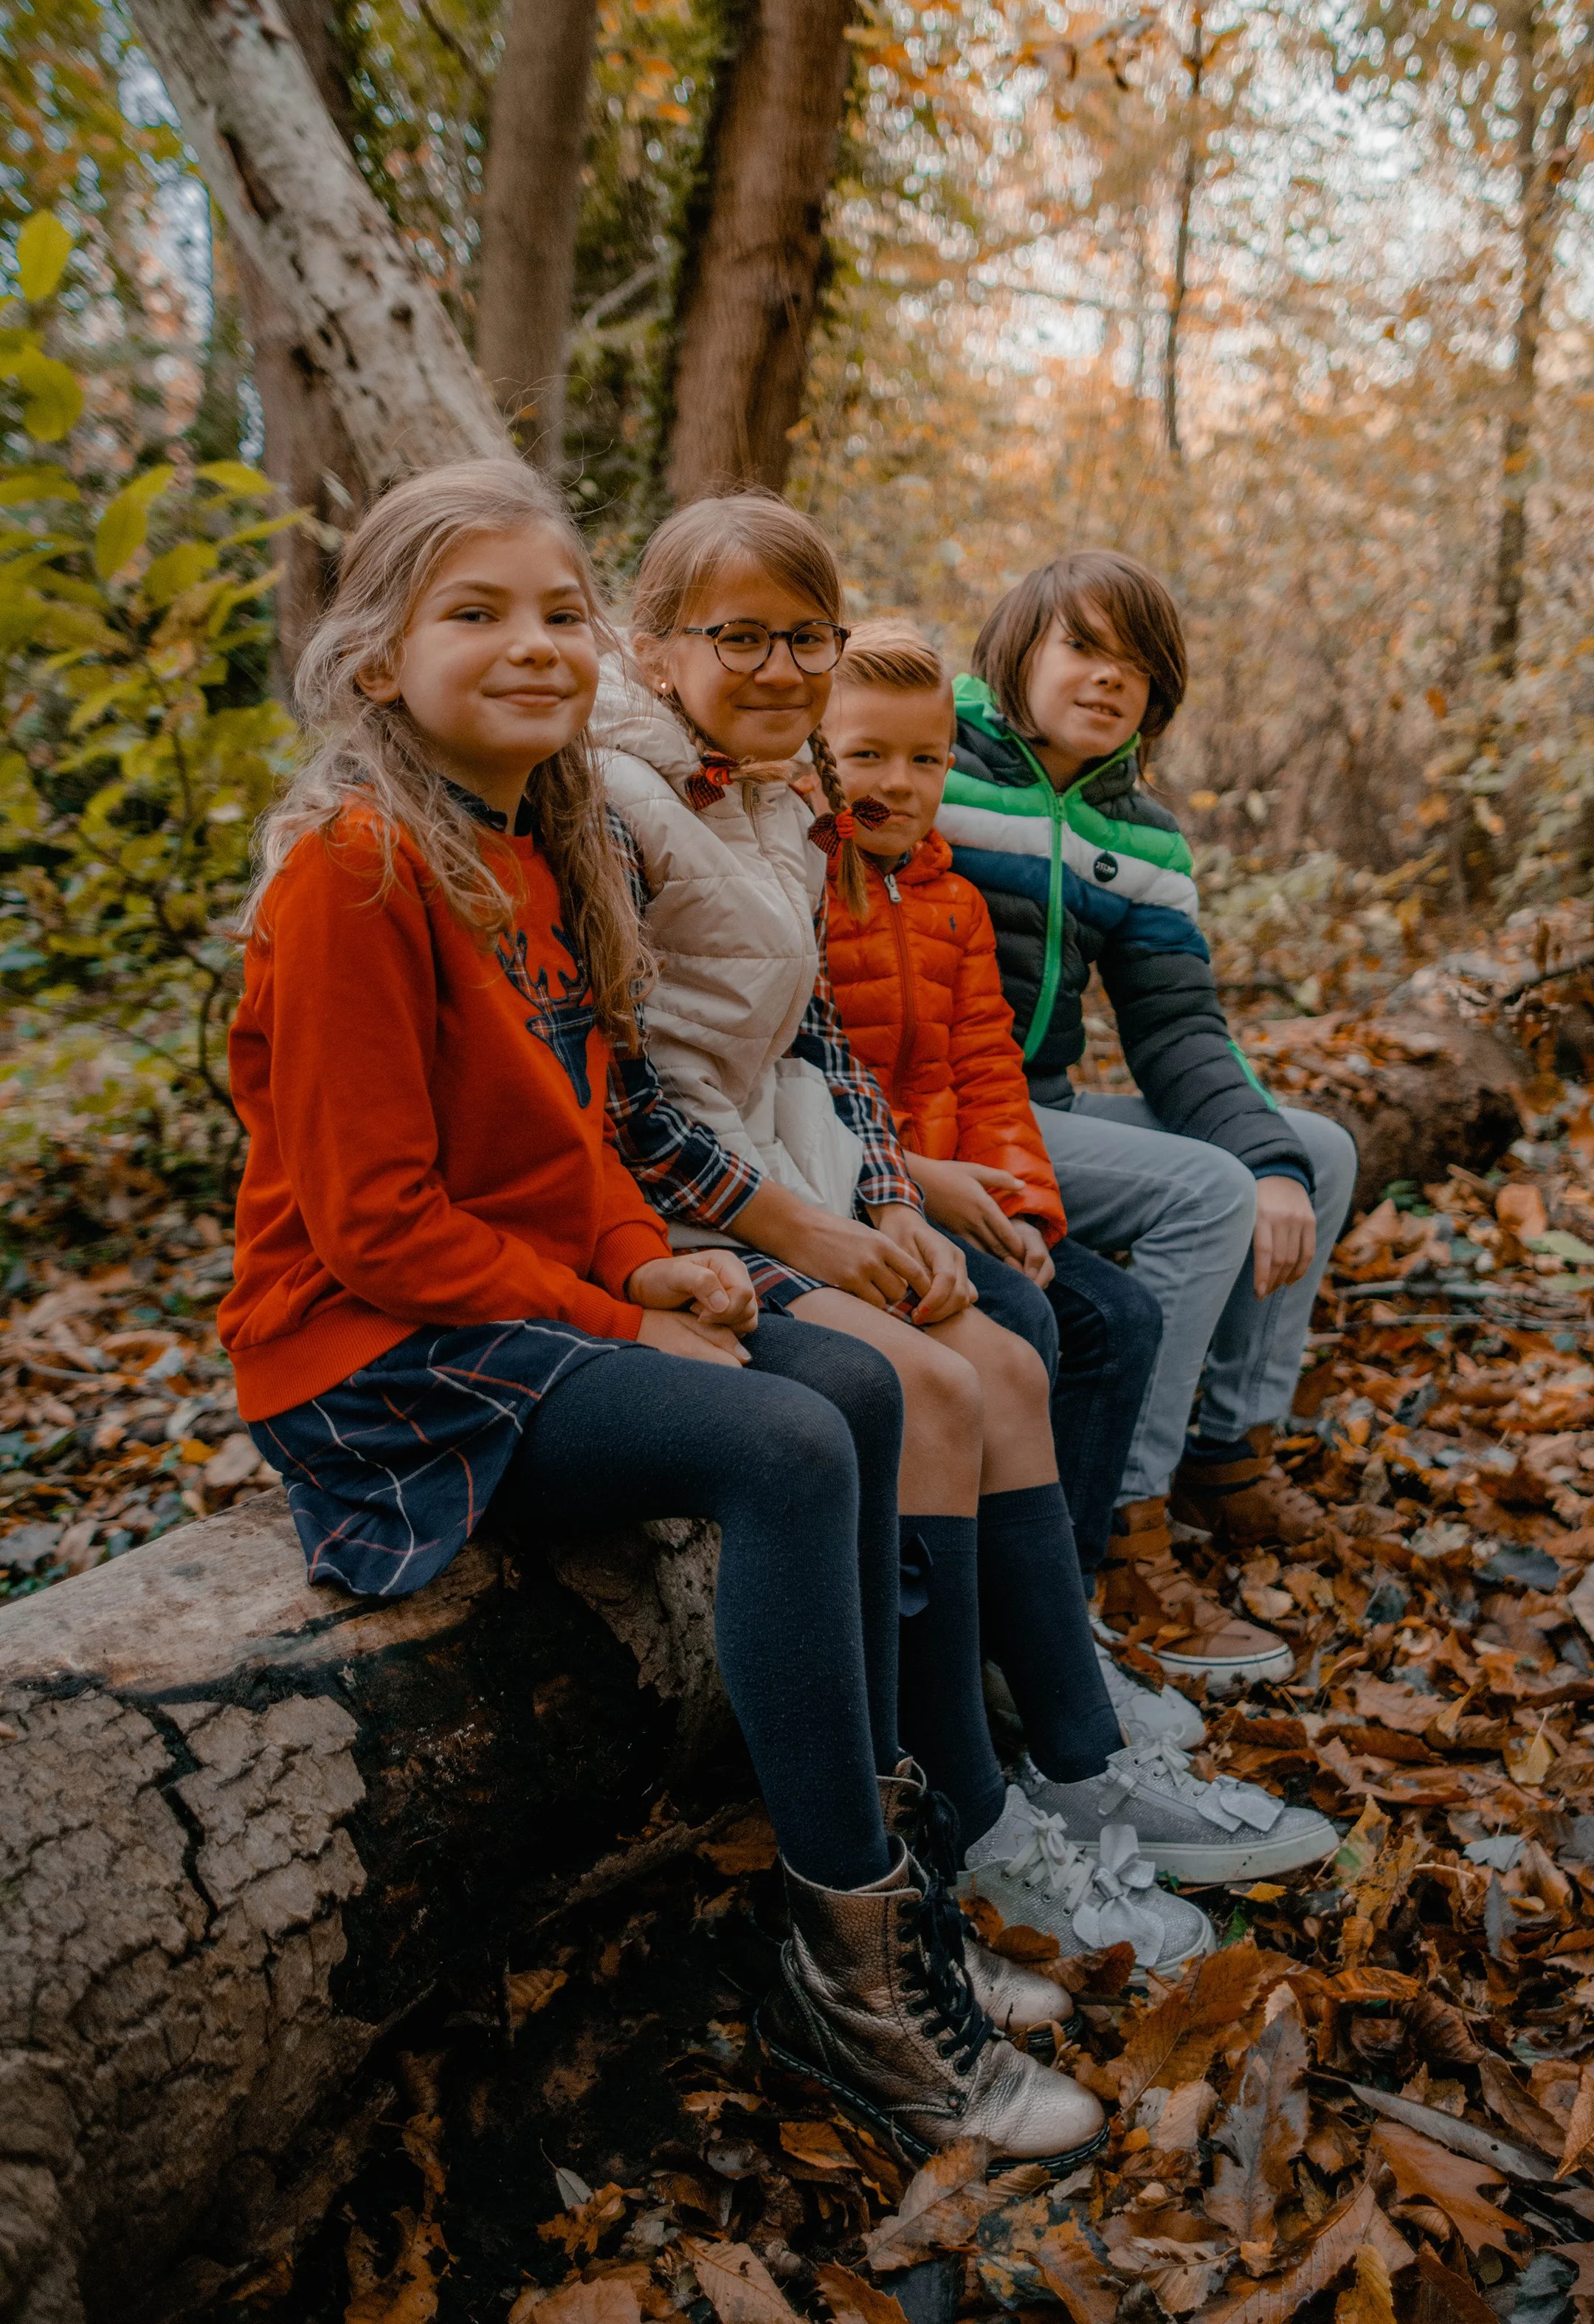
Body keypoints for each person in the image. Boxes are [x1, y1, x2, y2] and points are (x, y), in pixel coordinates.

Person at [219, 457, 1104, 2171]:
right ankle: (848, 1980)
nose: (533, 644)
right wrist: (621, 1316)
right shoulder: (357, 869)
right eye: (474, 611)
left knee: (853, 1384)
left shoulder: (533, 850)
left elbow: (575, 1136)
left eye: (557, 610)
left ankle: (884, 1904)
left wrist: (649, 1259)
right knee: (782, 1439)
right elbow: (377, 1224)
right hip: (371, 1355)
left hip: (516, 1298)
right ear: (377, 658)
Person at [598, 490, 1332, 1902]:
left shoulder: (778, 802)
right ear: (653, 651)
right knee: (977, 1361)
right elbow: (631, 1090)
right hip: (713, 1212)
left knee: (1016, 1340)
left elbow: (842, 1047)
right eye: (738, 636)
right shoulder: (654, 808)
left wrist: (881, 1198)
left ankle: (1070, 1743)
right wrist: (844, 1211)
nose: (779, 669)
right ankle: (980, 1791)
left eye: (801, 637)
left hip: (827, 1176)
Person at [940, 551, 1359, 1692]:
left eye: (1137, 664)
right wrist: (1241, 1175)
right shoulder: (933, 766)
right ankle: (1125, 1522)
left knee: (1315, 1151)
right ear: (1018, 649)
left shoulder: (1145, 834)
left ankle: (1229, 1453)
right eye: (1081, 647)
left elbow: (1177, 1030)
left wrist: (1270, 1158)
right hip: (949, 1125)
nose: (1109, 679)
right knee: (1208, 1189)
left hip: (1056, 1110)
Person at [817, 618, 1197, 1755]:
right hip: (863, 1196)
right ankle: (987, 1647)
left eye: (924, 759)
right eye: (865, 756)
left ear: (950, 761)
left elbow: (991, 1073)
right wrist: (924, 1184)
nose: (898, 783)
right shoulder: (801, 882)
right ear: (816, 756)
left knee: (1116, 1315)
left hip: (968, 1183)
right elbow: (798, 1079)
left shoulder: (953, 904)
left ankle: (1052, 1628)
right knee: (1021, 1320)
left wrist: (1027, 1208)